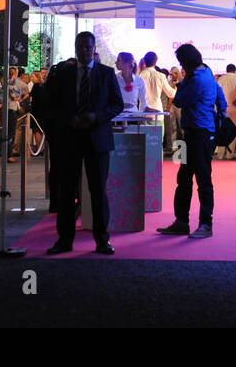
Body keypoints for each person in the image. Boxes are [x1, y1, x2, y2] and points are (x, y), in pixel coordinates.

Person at [32, 31, 124, 256]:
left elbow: (117, 105)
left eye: (87, 47)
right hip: (69, 139)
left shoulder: (106, 73)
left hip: (97, 140)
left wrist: (96, 117)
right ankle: (64, 240)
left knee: (98, 192)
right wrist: (67, 120)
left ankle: (102, 241)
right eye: (80, 47)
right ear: (75, 47)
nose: (83, 51)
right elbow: (50, 106)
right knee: (66, 192)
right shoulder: (63, 74)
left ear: (94, 49)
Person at [157, 44, 225, 238]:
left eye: (181, 61)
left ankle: (204, 224)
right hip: (194, 133)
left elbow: (179, 100)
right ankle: (183, 222)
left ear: (185, 62)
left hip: (198, 134)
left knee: (199, 179)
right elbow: (219, 94)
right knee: (187, 178)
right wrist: (224, 110)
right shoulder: (207, 71)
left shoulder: (195, 80)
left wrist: (182, 82)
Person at [140, 51, 176, 152]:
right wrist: (176, 88)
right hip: (157, 113)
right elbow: (171, 94)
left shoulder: (141, 75)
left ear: (144, 61)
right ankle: (157, 166)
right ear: (155, 62)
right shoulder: (161, 76)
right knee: (157, 143)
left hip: (143, 113)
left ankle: (145, 167)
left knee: (144, 144)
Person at [215, 64, 236, 161]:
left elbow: (216, 94)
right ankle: (230, 154)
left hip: (222, 109)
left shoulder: (221, 80)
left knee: (220, 130)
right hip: (235, 108)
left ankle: (220, 154)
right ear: (235, 70)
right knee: (233, 130)